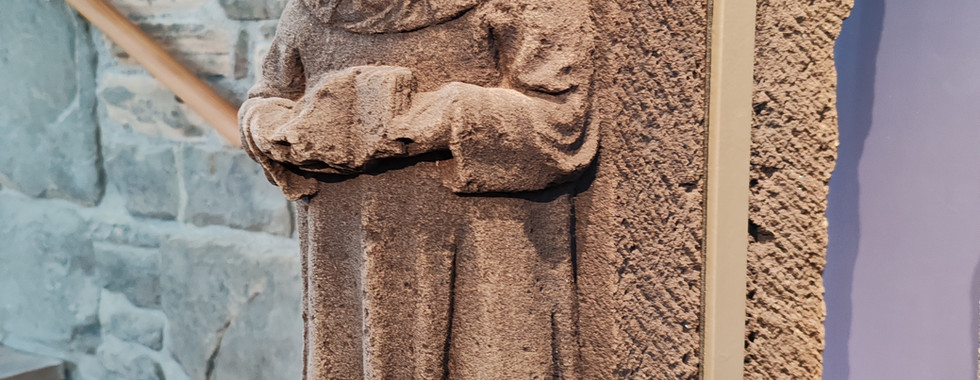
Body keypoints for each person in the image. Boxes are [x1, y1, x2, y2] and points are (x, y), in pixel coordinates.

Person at [239, 0, 596, 378]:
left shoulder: (520, 6)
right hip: (345, 253)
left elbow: (561, 126)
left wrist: (424, 117)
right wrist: (276, 131)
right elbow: (266, 99)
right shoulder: (312, 11)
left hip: (487, 250)